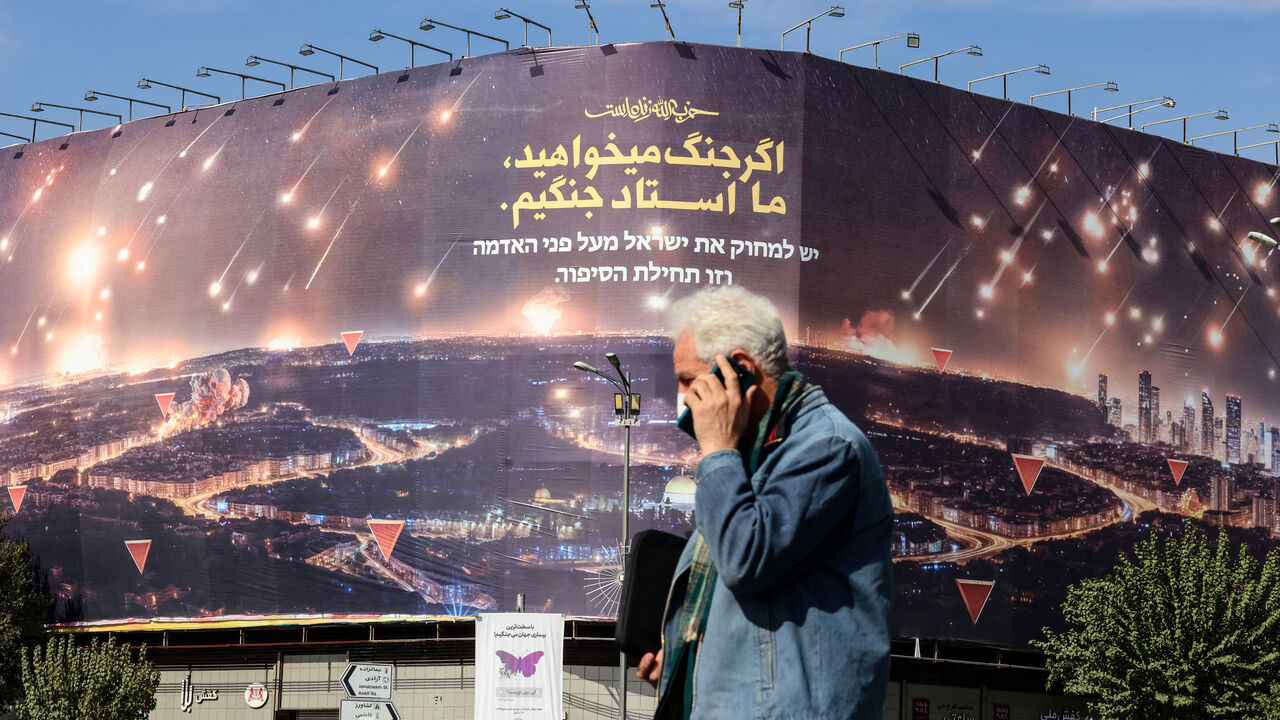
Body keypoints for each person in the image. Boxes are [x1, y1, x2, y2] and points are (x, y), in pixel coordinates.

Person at [636, 285, 893, 719]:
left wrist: (716, 449)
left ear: (739, 369)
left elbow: (745, 557)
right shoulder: (753, 457)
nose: (681, 398)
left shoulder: (827, 448)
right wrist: (691, 661)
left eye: (688, 380)